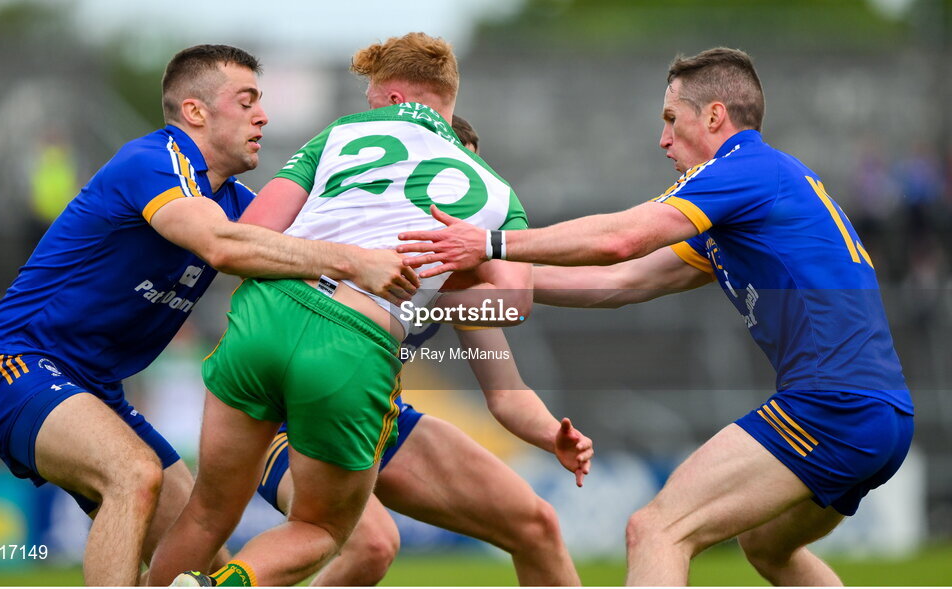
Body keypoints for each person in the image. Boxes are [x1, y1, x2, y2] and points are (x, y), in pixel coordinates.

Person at [397, 47, 913, 586]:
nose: (663, 140)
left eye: (671, 120)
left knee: (656, 529)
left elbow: (622, 242)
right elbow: (621, 282)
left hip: (830, 405)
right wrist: (494, 273)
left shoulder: (743, 169)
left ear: (714, 116)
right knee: (767, 546)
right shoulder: (749, 199)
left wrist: (489, 243)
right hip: (883, 414)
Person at [0, 44, 417, 586]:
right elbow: (221, 245)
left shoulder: (238, 203)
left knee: (208, 566)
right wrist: (352, 260)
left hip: (97, 390)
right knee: (133, 473)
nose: (262, 116)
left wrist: (482, 250)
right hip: (15, 367)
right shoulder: (152, 160)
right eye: (246, 101)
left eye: (261, 103)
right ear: (196, 112)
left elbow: (305, 255)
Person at [149, 33, 550, 587]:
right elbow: (514, 304)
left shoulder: (343, 135)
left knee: (211, 513)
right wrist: (472, 260)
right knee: (326, 532)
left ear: (391, 100)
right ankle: (224, 586)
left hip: (267, 314)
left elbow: (248, 239)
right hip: (349, 350)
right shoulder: (494, 197)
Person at [252, 116, 591, 586]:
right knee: (371, 545)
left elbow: (507, 392)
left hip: (375, 416)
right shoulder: (346, 233)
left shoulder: (453, 275)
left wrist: (554, 434)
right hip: (286, 419)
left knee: (537, 525)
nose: (473, 207)